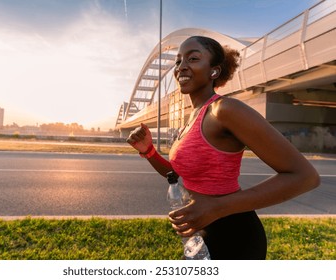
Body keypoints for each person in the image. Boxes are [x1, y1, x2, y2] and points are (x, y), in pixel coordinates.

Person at [126, 35, 320, 260]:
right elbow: (179, 174)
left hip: (234, 236)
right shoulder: (191, 119)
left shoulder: (224, 110)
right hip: (202, 232)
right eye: (178, 61)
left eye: (193, 58)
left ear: (214, 71)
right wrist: (149, 151)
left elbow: (305, 177)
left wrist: (217, 208)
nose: (181, 67)